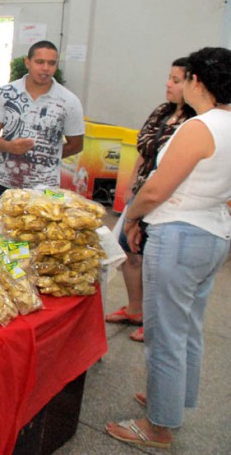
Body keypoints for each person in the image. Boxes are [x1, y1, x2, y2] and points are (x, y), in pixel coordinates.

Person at [105, 47, 231, 450]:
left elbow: (157, 188)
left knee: (164, 332)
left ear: (197, 81)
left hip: (180, 234)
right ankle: (173, 398)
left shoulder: (200, 127)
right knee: (188, 326)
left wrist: (134, 217)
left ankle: (158, 425)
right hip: (212, 233)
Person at [104, 58, 196, 343]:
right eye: (169, 78)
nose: (168, 84)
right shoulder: (162, 112)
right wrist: (132, 184)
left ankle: (155, 320)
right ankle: (135, 309)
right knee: (128, 251)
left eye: (176, 80)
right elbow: (144, 151)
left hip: (166, 198)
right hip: (142, 193)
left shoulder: (195, 123)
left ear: (194, 84)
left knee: (155, 261)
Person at [0, 41, 84, 198]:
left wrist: (47, 156)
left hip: (45, 188)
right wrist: (9, 147)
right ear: (27, 62)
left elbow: (76, 145)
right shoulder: (5, 93)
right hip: (3, 181)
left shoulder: (69, 101)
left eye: (51, 63)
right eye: (40, 62)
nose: (45, 68)